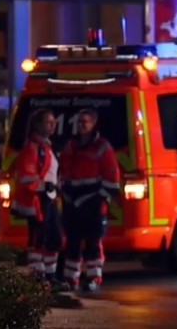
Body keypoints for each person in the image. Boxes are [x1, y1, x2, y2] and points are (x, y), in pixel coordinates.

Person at [58, 109, 121, 292]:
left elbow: (112, 177)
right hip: (72, 201)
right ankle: (71, 279)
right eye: (79, 122)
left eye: (85, 122)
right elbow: (63, 171)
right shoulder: (71, 146)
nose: (81, 125)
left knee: (93, 242)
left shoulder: (102, 147)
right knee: (72, 243)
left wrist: (99, 196)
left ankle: (94, 278)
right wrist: (65, 193)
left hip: (93, 201)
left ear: (94, 123)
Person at [9, 109, 63, 286]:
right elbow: (26, 177)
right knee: (39, 239)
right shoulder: (32, 148)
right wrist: (46, 185)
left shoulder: (44, 146)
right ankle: (38, 278)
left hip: (48, 198)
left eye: (53, 121)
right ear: (38, 125)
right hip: (38, 199)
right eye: (48, 122)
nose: (53, 125)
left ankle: (49, 276)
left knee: (53, 238)